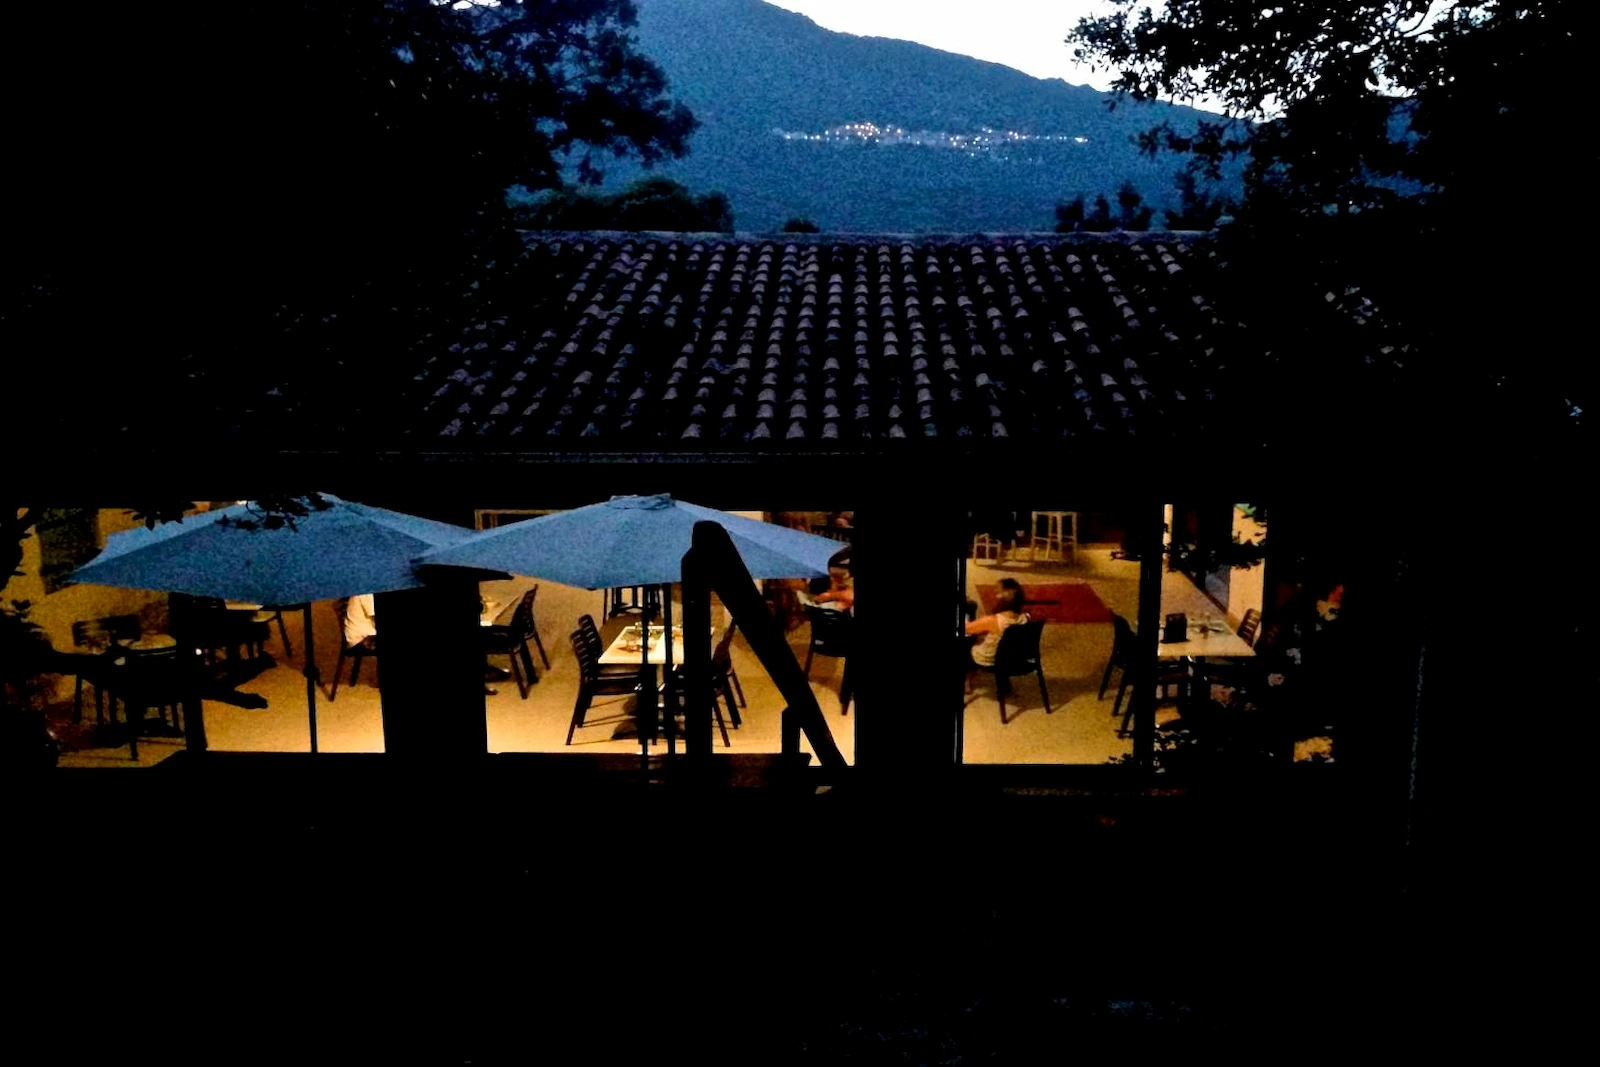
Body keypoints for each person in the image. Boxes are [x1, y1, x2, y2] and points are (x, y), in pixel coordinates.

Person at [965, 578, 1029, 667]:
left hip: (990, 659)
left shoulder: (993, 620)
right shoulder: (1025, 618)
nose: (994, 595)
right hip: (1013, 657)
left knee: (964, 645)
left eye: (997, 592)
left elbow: (966, 629)